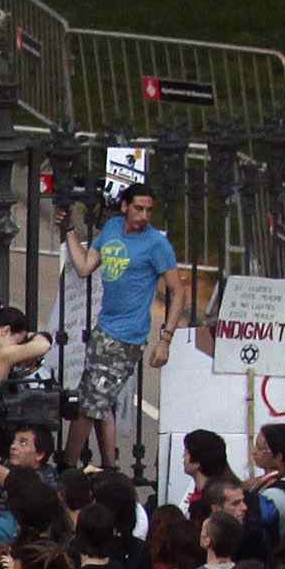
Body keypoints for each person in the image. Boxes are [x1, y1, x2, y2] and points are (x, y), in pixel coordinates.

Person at [69, 180, 181, 472]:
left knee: (88, 404)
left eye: (148, 210)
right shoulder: (112, 229)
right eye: (138, 208)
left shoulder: (157, 244)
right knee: (99, 400)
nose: (144, 216)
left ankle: (67, 465)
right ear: (124, 207)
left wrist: (165, 339)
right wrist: (68, 231)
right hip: (104, 329)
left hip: (128, 336)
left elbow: (177, 291)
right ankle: (110, 468)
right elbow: (84, 268)